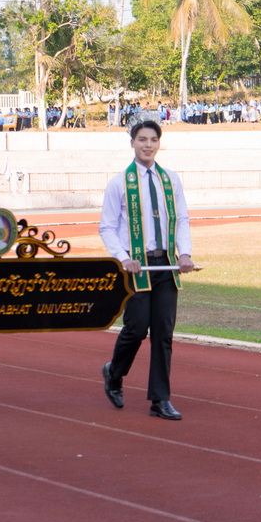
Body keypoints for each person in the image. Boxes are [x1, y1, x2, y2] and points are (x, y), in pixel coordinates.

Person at [99, 116, 194, 420]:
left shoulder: (171, 179)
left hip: (165, 264)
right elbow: (107, 227)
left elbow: (181, 219)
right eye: (142, 140)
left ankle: (159, 399)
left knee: (163, 332)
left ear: (159, 144)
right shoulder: (119, 183)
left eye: (153, 140)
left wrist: (185, 253)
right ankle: (114, 372)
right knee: (137, 328)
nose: (148, 145)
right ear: (132, 143)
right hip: (136, 265)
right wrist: (122, 256)